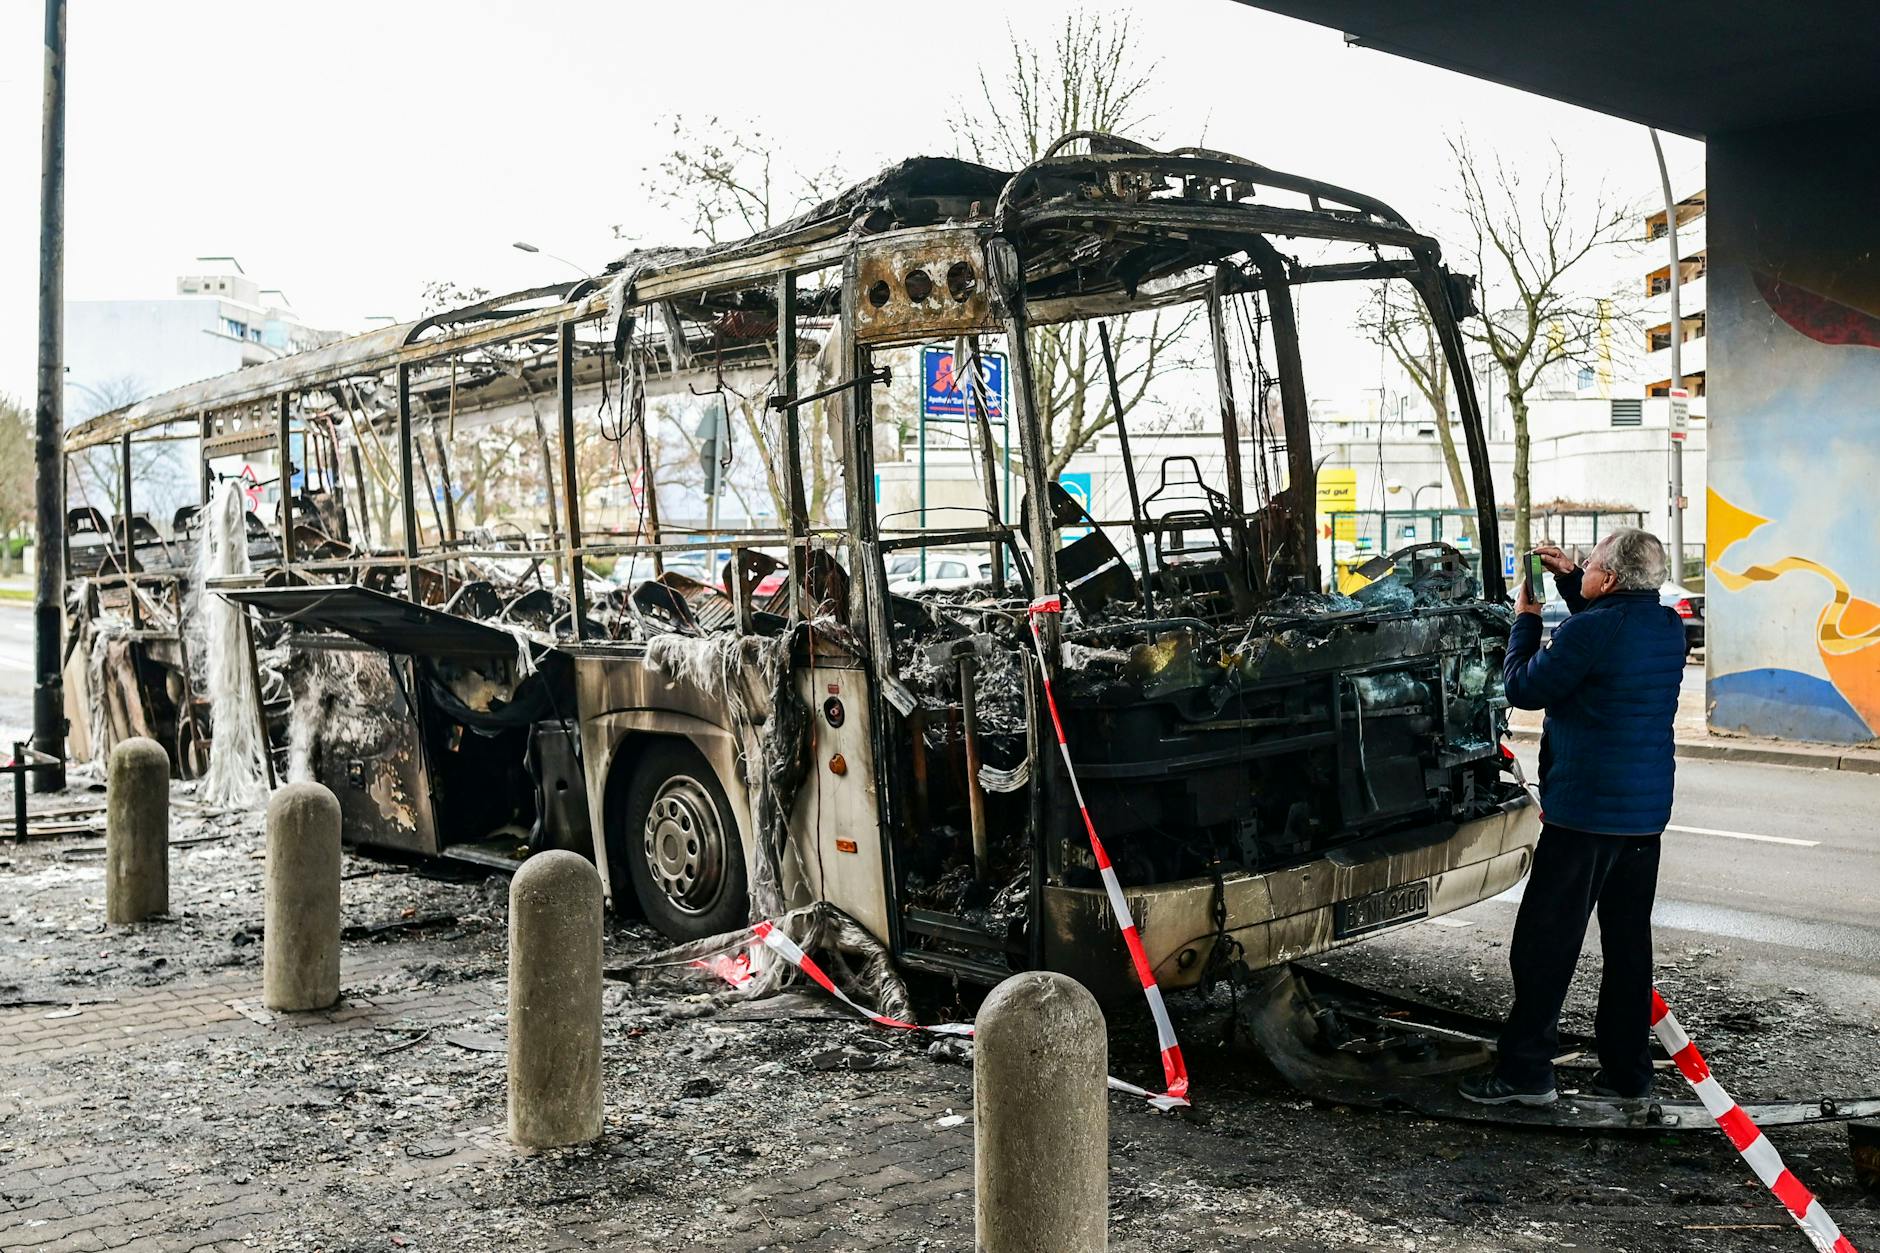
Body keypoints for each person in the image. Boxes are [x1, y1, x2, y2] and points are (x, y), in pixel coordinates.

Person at [1460, 528, 1687, 1106]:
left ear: (1607, 579)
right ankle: (1628, 1077)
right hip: (1642, 817)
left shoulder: (1587, 630)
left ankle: (1525, 1072)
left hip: (1584, 815)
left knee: (1544, 944)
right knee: (1628, 947)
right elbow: (1613, 625)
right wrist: (1567, 574)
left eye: (1587, 564)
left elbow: (1522, 688)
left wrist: (1527, 620)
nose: (1581, 570)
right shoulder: (1665, 627)